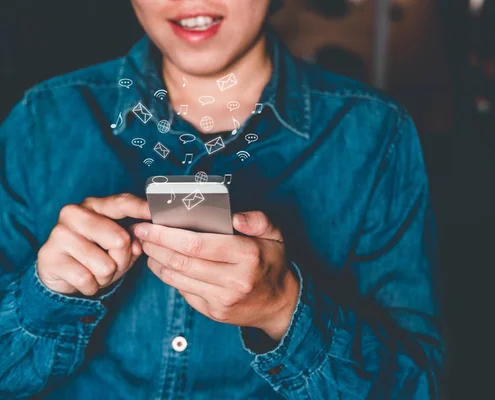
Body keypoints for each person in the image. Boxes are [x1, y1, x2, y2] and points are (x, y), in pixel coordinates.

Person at [0, 0, 443, 398]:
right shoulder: (41, 120)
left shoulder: (376, 134)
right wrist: (44, 295)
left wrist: (283, 310)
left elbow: (415, 386)